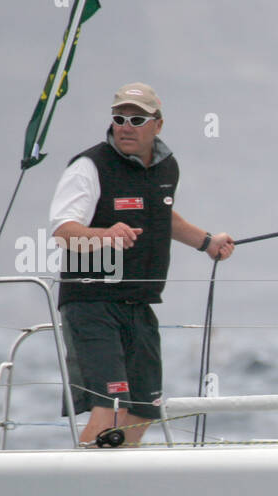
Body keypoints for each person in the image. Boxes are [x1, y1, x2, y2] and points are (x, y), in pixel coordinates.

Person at [50, 82, 235, 446]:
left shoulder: (167, 168)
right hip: (92, 304)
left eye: (136, 118)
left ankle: (111, 493)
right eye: (119, 118)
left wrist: (207, 242)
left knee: (142, 410)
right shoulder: (88, 167)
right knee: (111, 409)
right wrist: (104, 235)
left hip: (140, 304)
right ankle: (76, 491)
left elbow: (163, 216)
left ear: (158, 125)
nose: (126, 126)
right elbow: (63, 229)